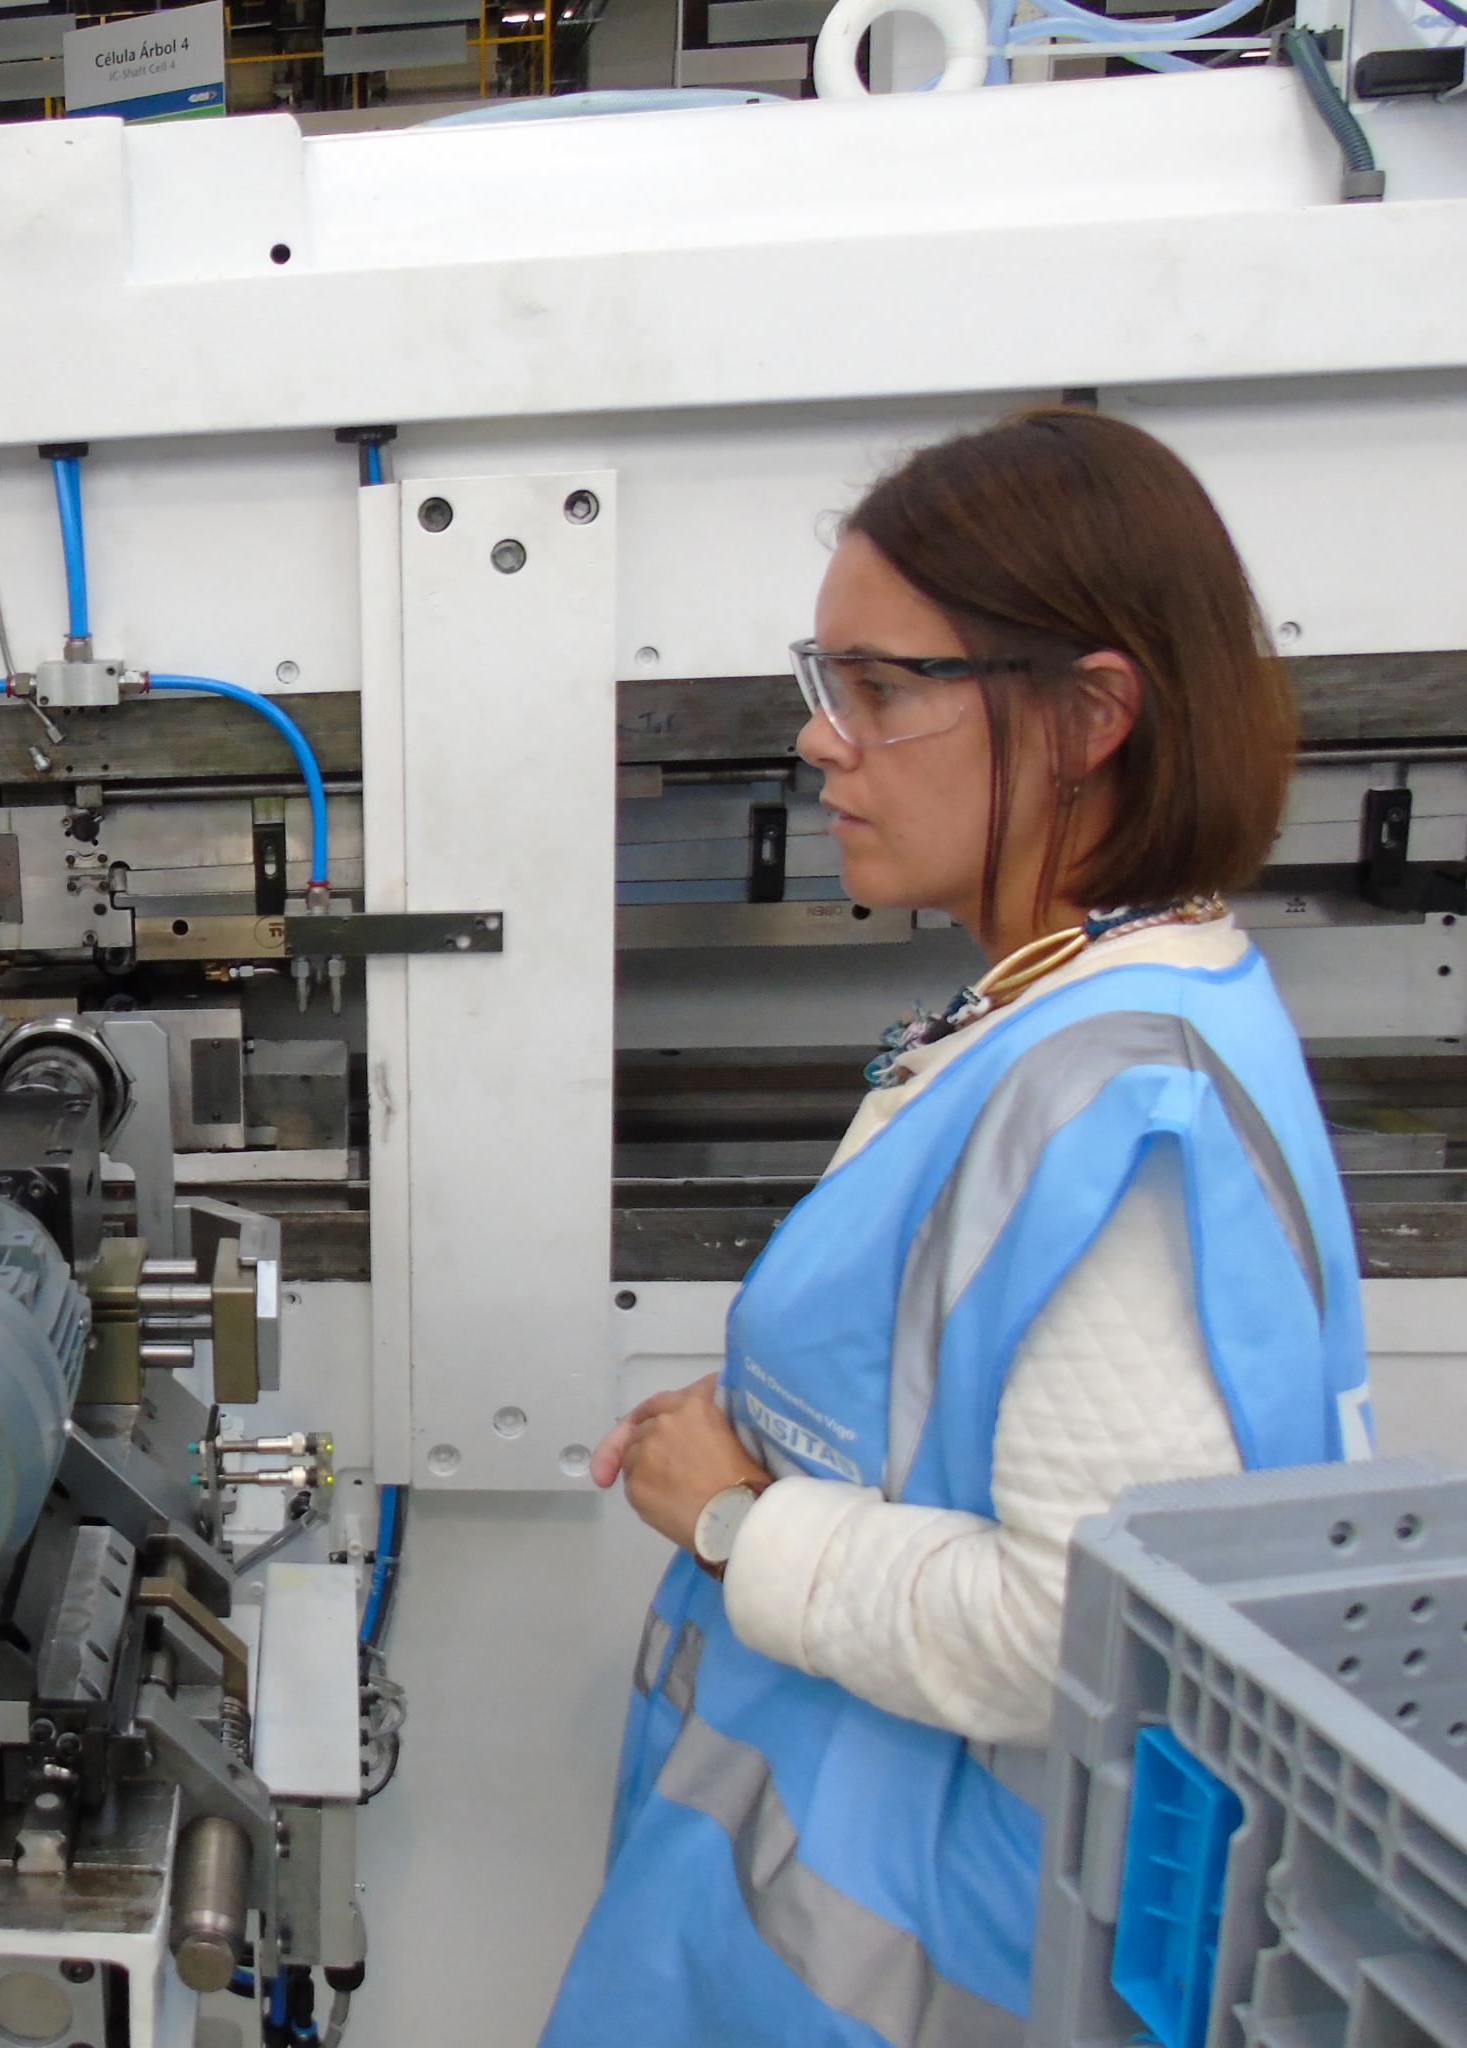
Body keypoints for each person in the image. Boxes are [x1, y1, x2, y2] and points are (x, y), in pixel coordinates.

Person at [542, 409, 1372, 2048]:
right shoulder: (1058, 1012)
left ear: (1090, 716)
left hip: (929, 1979)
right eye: (827, 682)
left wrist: (738, 1523)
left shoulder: (1124, 1102)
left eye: (881, 688)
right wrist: (777, 1431)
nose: (822, 740)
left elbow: (1080, 1635)